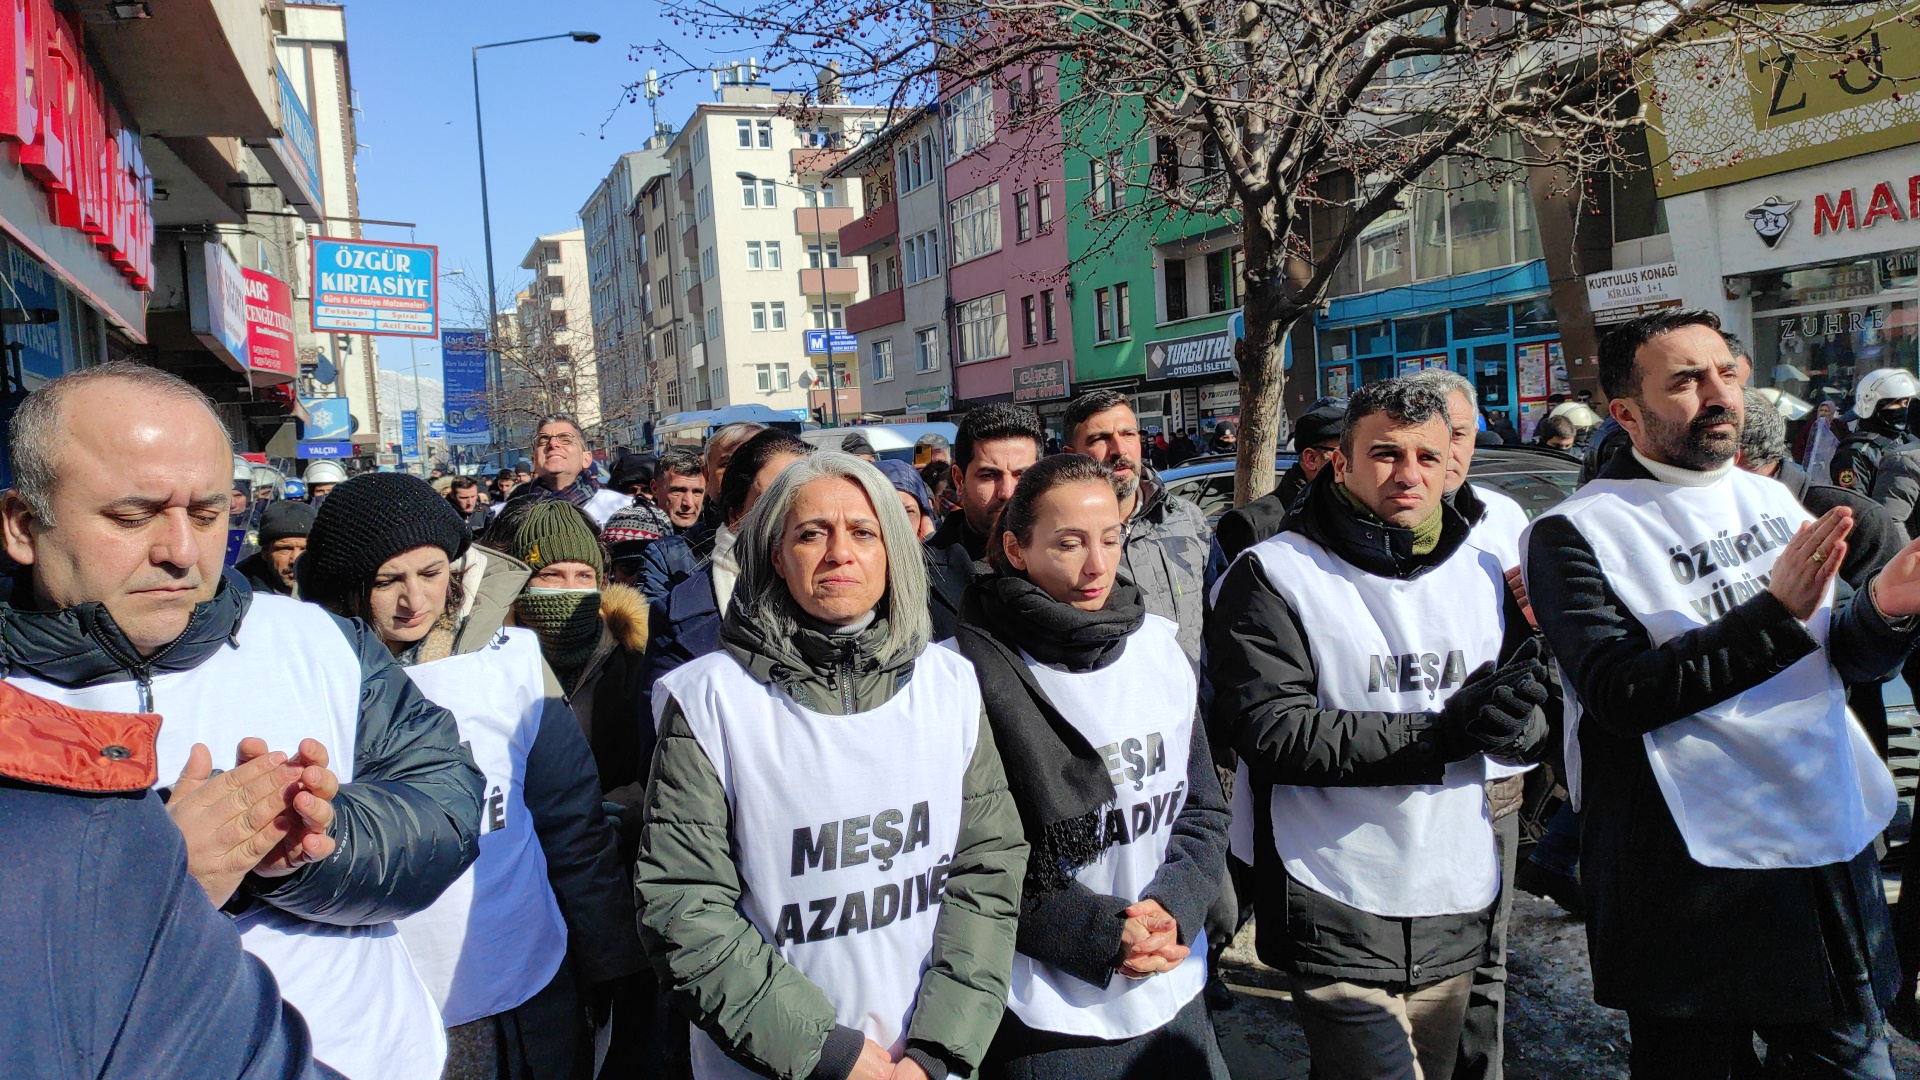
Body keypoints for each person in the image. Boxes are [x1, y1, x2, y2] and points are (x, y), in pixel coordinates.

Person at [0, 362, 484, 1080]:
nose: (182, 553)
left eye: (208, 513)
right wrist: (162, 874)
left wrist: (315, 842)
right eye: (132, 517)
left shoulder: (319, 641)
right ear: (21, 524)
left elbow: (446, 808)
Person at [1525, 309, 1920, 1079]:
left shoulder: (1771, 502)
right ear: (1627, 413)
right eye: (1686, 380)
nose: (1719, 394)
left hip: (1821, 846)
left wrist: (1884, 611)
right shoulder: (1576, 531)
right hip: (1685, 879)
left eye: (1727, 374)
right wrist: (1773, 611)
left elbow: (1838, 657)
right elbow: (1622, 694)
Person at [635, 450, 1028, 1080]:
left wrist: (937, 1048)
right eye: (811, 533)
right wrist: (830, 1055)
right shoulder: (710, 701)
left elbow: (988, 869)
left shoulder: (950, 684)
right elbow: (685, 908)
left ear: (893, 550)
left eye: (863, 533)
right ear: (774, 555)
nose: (839, 553)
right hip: (778, 1063)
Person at [1208, 377, 1551, 1080]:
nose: (1410, 475)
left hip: (1452, 883)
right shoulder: (1272, 573)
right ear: (1341, 462)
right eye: (1386, 455)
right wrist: (1443, 736)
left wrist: (1517, 727)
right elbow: (1273, 732)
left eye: (1427, 456)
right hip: (1329, 886)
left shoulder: (1486, 568)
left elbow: (1533, 715)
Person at [299, 474, 646, 1079]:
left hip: (530, 981)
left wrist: (612, 956)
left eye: (431, 574)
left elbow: (572, 824)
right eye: (388, 581)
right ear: (348, 585)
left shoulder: (510, 659)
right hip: (390, 1000)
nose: (414, 600)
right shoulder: (309, 676)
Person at [954, 454, 1231, 1078]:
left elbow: (1204, 807)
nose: (1097, 566)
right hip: (1046, 1016)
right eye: (1069, 543)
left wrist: (1173, 908)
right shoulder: (962, 676)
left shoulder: (1157, 647)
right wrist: (1102, 935)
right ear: (1016, 549)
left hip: (1173, 985)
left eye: (1110, 539)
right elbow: (966, 859)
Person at [0, 679, 342, 1080]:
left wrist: (295, 855)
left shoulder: (325, 639)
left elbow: (426, 816)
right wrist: (155, 880)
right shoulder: (61, 796)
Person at [1408, 367, 1542, 1080]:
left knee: (1488, 961)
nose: (1448, 450)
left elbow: (1535, 640)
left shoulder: (1505, 518)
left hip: (1494, 782)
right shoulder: (1369, 521)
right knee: (1414, 966)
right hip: (1403, 775)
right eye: (1433, 435)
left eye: (1460, 433)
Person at [642, 430, 813, 688]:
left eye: (803, 499)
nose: (789, 517)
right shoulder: (681, 615)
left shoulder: (873, 606)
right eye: (769, 503)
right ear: (735, 516)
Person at [1061, 390, 1210, 661]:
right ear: (1072, 455)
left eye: (1128, 434)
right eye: (1100, 439)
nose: (1119, 450)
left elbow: (1219, 620)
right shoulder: (1060, 541)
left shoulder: (1187, 519)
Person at [926, 404, 1045, 642]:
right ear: (959, 480)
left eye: (1022, 475)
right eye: (989, 476)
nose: (1007, 492)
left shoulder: (1074, 560)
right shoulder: (917, 577)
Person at [1211, 398, 1346, 583]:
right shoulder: (1253, 526)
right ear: (1311, 459)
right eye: (1343, 455)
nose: (1353, 466)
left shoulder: (1354, 519)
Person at [506, 416, 631, 527]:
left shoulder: (622, 509)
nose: (553, 444)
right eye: (544, 441)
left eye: (565, 439)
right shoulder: (511, 513)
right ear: (534, 461)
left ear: (586, 459)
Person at [1831, 368, 1917, 497]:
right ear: (1873, 405)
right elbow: (1854, 506)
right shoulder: (1856, 453)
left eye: (1906, 403)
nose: (1903, 409)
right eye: (1897, 403)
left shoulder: (1905, 439)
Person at [235, 500, 315, 598]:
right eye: (285, 549)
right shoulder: (240, 596)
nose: (295, 559)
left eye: (304, 550)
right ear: (265, 553)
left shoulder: (332, 594)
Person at [698, 420, 767, 527]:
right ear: (706, 475)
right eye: (727, 464)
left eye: (754, 462)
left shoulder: (793, 534)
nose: (740, 473)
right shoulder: (681, 543)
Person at [877, 457, 938, 541]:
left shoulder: (950, 552)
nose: (898, 523)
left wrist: (931, 545)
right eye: (885, 511)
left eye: (908, 512)